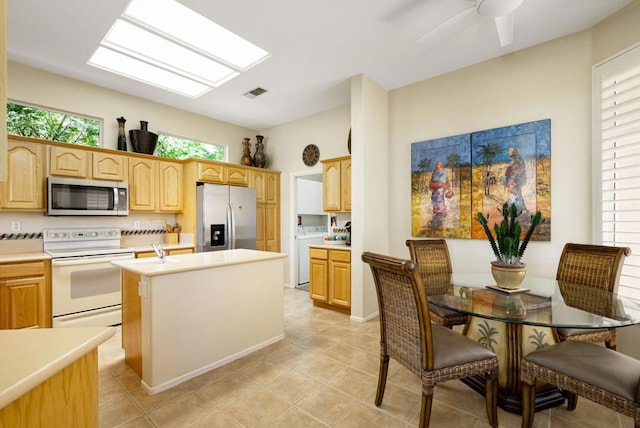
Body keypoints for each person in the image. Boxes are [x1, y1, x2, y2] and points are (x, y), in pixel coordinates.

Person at [503, 147, 527, 212]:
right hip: (512, 183)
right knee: (515, 195)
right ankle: (515, 210)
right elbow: (506, 175)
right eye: (513, 156)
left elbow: (523, 173)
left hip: (515, 183)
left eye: (515, 156)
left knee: (516, 195)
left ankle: (518, 209)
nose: (514, 157)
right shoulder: (512, 165)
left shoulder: (519, 164)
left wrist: (505, 183)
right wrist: (505, 183)